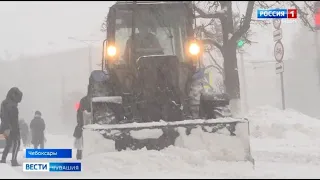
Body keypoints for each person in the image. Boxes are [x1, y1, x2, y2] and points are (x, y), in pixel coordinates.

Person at [0, 87, 23, 166]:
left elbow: (2, 116)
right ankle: (14, 160)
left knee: (8, 144)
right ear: (14, 96)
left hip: (5, 127)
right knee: (17, 143)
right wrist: (12, 129)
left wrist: (5, 127)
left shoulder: (4, 103)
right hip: (12, 128)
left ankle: (3, 159)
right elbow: (12, 119)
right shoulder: (12, 105)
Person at [74, 94, 90, 160]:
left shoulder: (83, 100)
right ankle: (79, 155)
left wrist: (80, 123)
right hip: (83, 125)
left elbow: (78, 114)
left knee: (79, 141)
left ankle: (79, 155)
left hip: (81, 125)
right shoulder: (84, 100)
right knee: (80, 141)